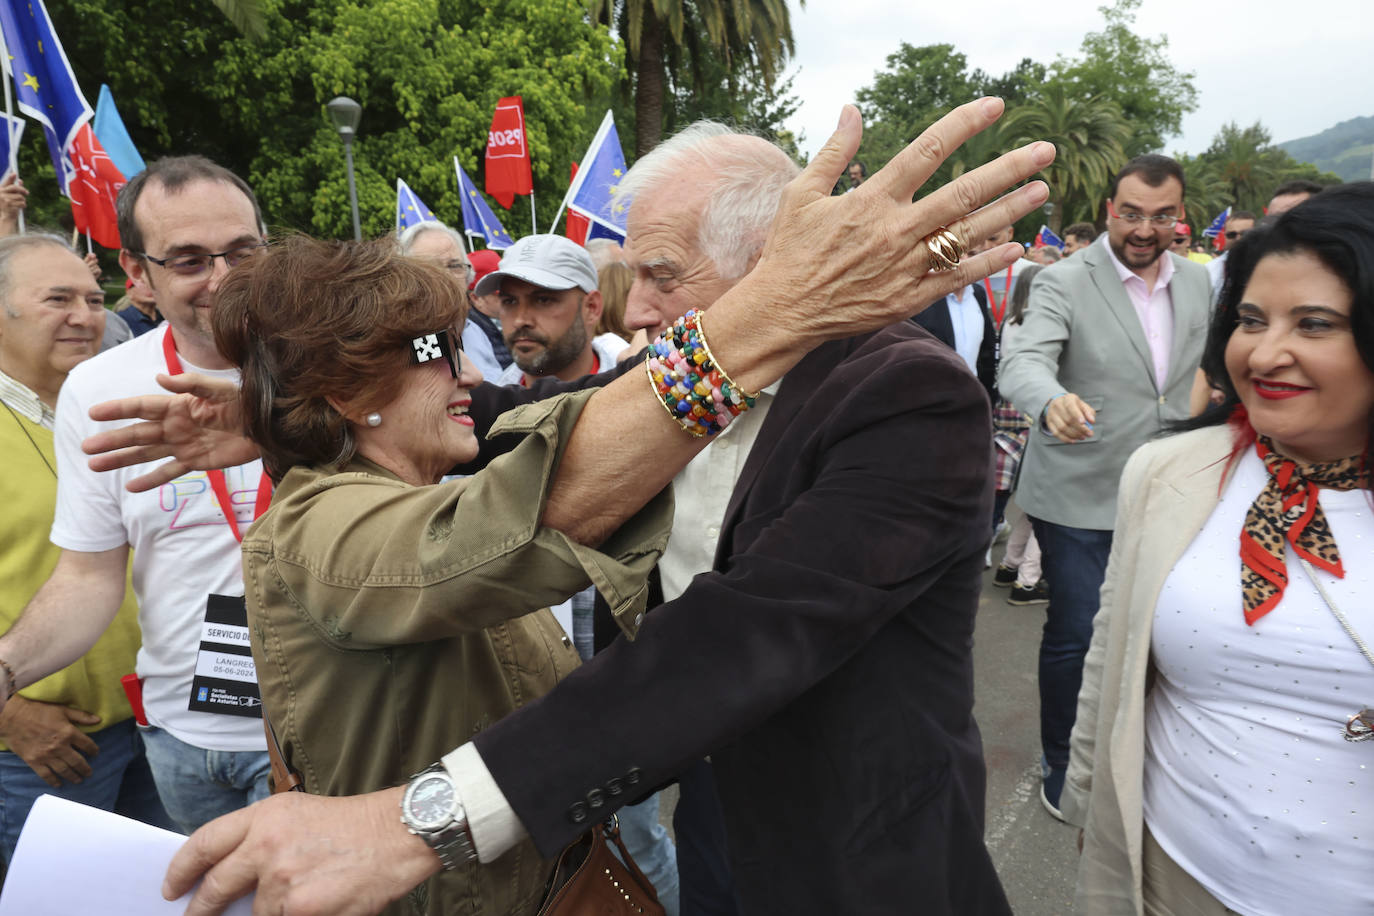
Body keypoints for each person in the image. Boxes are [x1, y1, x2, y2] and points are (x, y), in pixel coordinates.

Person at [79, 100, 1053, 916]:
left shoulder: (905, 397)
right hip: (712, 818)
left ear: (774, 262)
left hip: (853, 860)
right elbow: (527, 414)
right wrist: (293, 412)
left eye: (662, 277)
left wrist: (423, 820)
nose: (633, 314)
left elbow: (738, 639)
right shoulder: (671, 390)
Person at [1064, 182, 1374, 916]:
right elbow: (1109, 660)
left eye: (1316, 324)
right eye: (1250, 320)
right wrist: (1089, 809)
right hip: (1174, 881)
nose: (1267, 354)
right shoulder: (1169, 474)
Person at [0, 156, 273, 835]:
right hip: (179, 743)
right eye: (188, 261)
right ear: (138, 275)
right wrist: (7, 670)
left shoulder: (338, 363)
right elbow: (89, 577)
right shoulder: (101, 392)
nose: (224, 278)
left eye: (242, 251)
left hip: (322, 731)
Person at [997, 154, 1212, 821]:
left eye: (1162, 215)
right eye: (1132, 213)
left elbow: (1203, 370)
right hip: (1080, 492)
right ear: (1110, 208)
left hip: (1174, 492)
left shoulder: (1200, 286)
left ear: (1180, 217)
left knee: (1165, 634)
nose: (1146, 228)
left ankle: (1144, 756)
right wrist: (1051, 398)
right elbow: (1023, 362)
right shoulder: (1064, 278)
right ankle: (1066, 764)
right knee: (1080, 630)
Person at [0, 234, 170, 862]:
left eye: (95, 298)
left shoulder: (117, 408)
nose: (86, 315)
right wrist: (8, 715)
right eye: (57, 299)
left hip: (157, 727)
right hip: (38, 752)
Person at [475, 235, 631, 385]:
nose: (520, 320)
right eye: (509, 301)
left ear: (591, 307)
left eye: (543, 300)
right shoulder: (491, 407)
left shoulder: (640, 394)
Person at [988, 263, 1046, 607]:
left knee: (1028, 500)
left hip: (1014, 413)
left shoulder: (1012, 322)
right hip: (1034, 416)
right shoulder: (1032, 326)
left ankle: (1011, 566)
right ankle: (1027, 579)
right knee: (1045, 502)